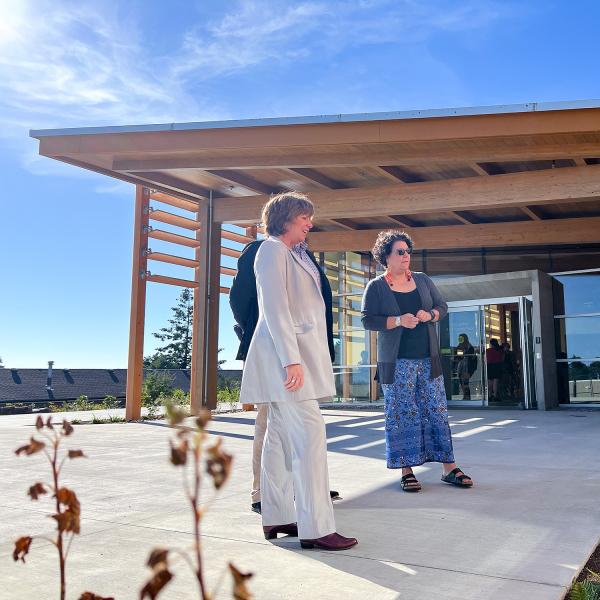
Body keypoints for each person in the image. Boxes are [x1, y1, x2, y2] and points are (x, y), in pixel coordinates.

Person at [239, 191, 357, 551]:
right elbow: (273, 308)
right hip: (287, 362)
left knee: (278, 441)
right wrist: (292, 359)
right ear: (285, 217)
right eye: (305, 216)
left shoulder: (294, 253)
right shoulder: (272, 249)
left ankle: (276, 517)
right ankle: (317, 527)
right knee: (310, 437)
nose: (310, 222)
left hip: (292, 359)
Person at [229, 236, 340, 515]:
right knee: (270, 424)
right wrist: (258, 332)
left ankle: (303, 487)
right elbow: (239, 298)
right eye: (303, 216)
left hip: (307, 352)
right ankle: (262, 492)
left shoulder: (304, 255)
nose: (309, 224)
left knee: (300, 427)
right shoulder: (260, 249)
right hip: (276, 352)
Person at [361, 230, 473, 492]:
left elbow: (442, 307)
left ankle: (449, 468)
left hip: (428, 361)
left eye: (408, 251)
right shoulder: (376, 286)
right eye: (400, 252)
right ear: (386, 256)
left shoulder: (422, 281)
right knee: (403, 415)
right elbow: (367, 320)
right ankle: (406, 470)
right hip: (397, 363)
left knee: (437, 411)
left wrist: (430, 314)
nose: (406, 256)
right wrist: (398, 321)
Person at [455, 333, 477, 400]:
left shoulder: (470, 347)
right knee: (461, 381)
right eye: (459, 338)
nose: (460, 340)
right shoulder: (459, 346)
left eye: (461, 338)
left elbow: (470, 357)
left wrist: (462, 354)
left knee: (465, 382)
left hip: (467, 366)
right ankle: (465, 395)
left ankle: (467, 396)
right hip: (461, 366)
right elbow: (459, 356)